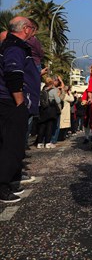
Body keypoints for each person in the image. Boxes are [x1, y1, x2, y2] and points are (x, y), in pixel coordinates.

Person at [0, 17, 40, 203]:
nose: (33, 33)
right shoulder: (15, 47)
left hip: (9, 102)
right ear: (25, 29)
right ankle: (3, 186)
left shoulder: (12, 46)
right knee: (11, 145)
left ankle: (11, 179)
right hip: (11, 103)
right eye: (32, 29)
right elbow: (13, 73)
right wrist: (20, 102)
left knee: (12, 144)